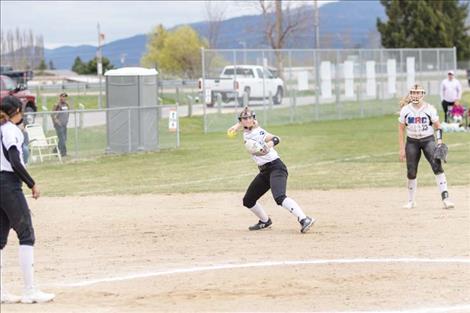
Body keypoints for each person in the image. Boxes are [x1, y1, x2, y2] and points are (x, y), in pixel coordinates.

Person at [0, 96, 55, 304]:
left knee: (0, 240)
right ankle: (29, 291)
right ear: (16, 111)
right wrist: (32, 183)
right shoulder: (10, 130)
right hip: (8, 184)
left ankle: (1, 292)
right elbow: (14, 161)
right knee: (26, 234)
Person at [227, 107, 315, 233]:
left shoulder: (258, 132)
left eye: (249, 118)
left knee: (279, 197)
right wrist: (236, 126)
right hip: (264, 172)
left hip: (276, 167)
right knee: (248, 200)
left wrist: (269, 144)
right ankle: (265, 221)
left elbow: (276, 138)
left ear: (253, 119)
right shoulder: (246, 130)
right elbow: (246, 125)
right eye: (244, 118)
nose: (247, 120)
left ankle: (304, 219)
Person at [398, 84, 454, 210]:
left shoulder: (429, 109)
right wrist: (401, 149)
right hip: (412, 142)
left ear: (423, 94)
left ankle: (446, 199)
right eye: (413, 92)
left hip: (428, 140)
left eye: (418, 93)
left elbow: (438, 127)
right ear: (410, 94)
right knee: (411, 171)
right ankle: (411, 201)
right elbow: (401, 129)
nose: (415, 95)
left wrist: (439, 142)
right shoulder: (406, 110)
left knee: (437, 166)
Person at [52, 92, 70, 157]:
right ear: (60, 97)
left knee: (64, 139)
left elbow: (68, 113)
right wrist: (56, 122)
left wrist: (67, 120)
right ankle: (62, 153)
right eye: (62, 96)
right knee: (62, 139)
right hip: (59, 125)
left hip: (64, 124)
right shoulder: (57, 105)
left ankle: (57, 151)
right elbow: (53, 114)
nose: (64, 98)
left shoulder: (66, 105)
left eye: (65, 97)